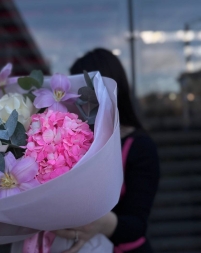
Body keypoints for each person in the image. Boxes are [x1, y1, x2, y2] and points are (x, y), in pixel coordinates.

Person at [53, 48, 160, 253]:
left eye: (83, 92)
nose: (78, 101)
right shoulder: (74, 140)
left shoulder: (140, 147)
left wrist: (100, 224)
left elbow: (137, 225)